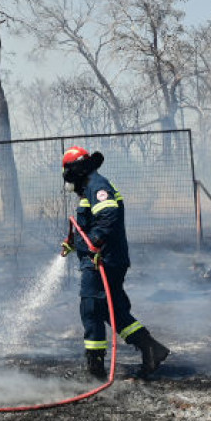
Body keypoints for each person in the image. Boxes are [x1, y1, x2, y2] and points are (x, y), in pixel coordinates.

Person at [58, 145, 170, 380]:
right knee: (112, 310)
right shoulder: (90, 187)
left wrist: (94, 243)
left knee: (91, 308)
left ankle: (95, 370)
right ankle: (151, 348)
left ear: (75, 171)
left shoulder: (97, 186)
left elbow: (108, 217)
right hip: (105, 258)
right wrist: (75, 243)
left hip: (102, 260)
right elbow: (90, 225)